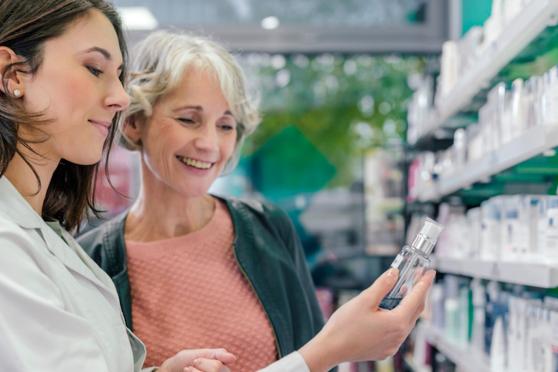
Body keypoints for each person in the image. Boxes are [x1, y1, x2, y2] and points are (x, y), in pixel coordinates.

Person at [0, 1, 435, 371]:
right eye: (188, 119)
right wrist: (326, 351)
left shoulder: (266, 230)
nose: (208, 143)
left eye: (226, 125)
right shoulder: (70, 251)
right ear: (135, 125)